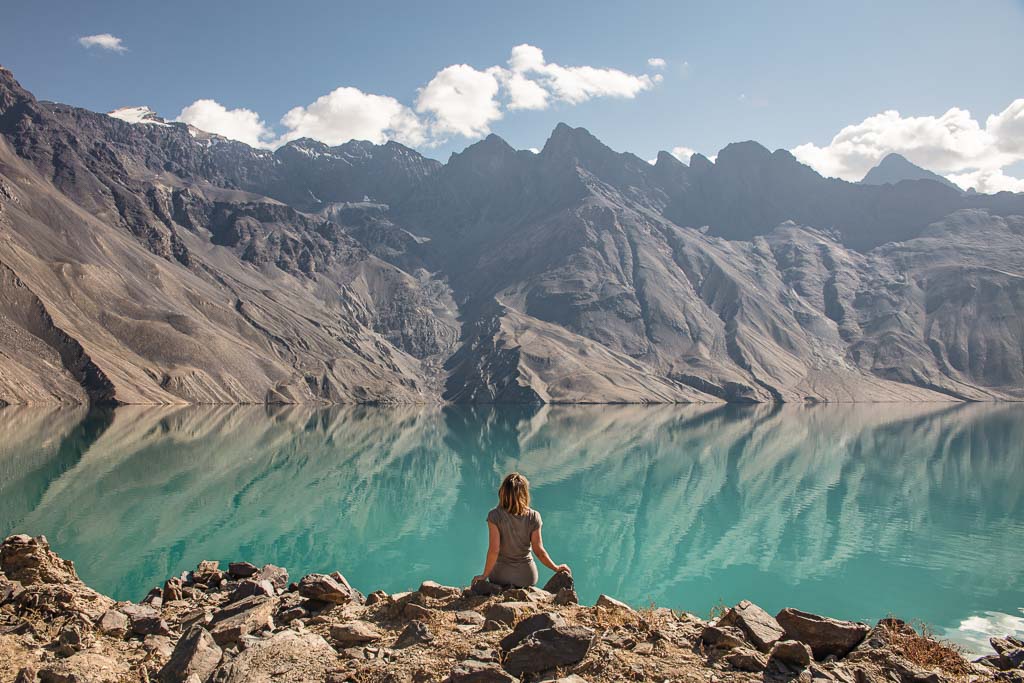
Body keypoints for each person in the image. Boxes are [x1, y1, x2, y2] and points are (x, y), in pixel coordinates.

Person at [473, 472, 570, 588]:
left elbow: (494, 550)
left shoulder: (494, 516)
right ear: (524, 494)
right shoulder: (533, 516)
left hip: (500, 577)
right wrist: (556, 568)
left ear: (503, 492)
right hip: (527, 577)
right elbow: (539, 551)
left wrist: (484, 575)